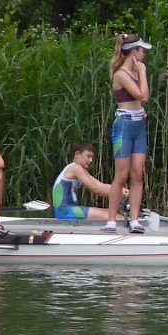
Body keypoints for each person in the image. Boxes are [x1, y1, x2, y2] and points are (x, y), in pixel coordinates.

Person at [107, 34, 154, 231]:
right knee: (121, 175)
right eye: (141, 50)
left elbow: (143, 99)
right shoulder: (121, 74)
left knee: (137, 174)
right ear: (133, 52)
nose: (143, 54)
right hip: (124, 126)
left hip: (138, 127)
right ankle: (111, 220)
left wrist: (140, 73)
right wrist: (142, 73)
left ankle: (134, 220)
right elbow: (142, 96)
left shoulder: (134, 73)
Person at [50, 141, 119, 221]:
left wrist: (125, 191)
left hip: (70, 209)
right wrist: (120, 193)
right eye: (88, 156)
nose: (90, 160)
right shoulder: (75, 168)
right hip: (66, 211)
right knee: (113, 216)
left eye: (92, 157)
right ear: (77, 154)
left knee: (110, 212)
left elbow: (101, 185)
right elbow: (96, 189)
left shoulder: (80, 170)